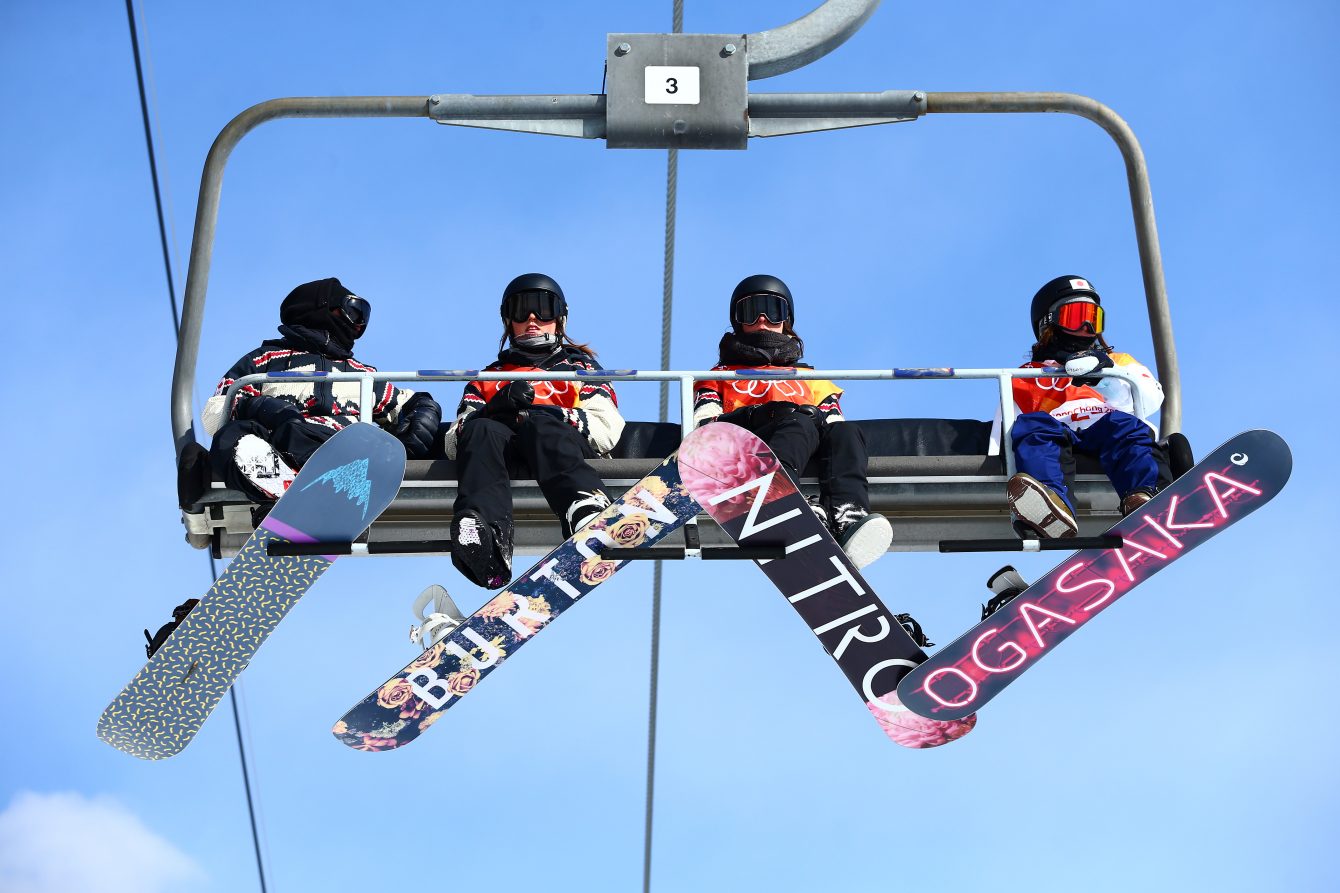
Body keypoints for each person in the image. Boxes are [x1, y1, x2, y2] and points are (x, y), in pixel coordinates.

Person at [145, 277, 441, 656]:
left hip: (342, 456)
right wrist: (264, 408)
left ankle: (311, 490)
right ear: (320, 309)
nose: (357, 323)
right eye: (352, 310)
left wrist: (420, 425)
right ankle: (288, 492)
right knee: (234, 437)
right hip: (281, 455)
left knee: (346, 438)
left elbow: (413, 400)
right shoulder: (267, 361)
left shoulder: (362, 375)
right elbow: (218, 408)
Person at [692, 274, 895, 570]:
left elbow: (835, 423)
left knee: (847, 432)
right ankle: (780, 497)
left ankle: (847, 516)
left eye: (772, 310)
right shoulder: (721, 375)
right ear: (738, 322)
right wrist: (766, 413)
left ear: (786, 319)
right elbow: (704, 424)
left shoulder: (810, 377)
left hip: (802, 434)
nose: (762, 320)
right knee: (796, 418)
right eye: (751, 311)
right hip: (747, 436)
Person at [442, 273, 624, 589]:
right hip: (502, 454)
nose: (532, 320)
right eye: (521, 310)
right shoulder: (488, 377)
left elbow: (607, 428)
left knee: (539, 425)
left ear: (560, 318)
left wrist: (544, 413)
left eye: (543, 308)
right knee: (481, 430)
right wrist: (490, 411)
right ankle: (486, 539)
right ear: (507, 321)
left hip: (557, 445)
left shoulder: (580, 370)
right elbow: (454, 441)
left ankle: (584, 509)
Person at [1003, 274, 1164, 539]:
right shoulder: (1027, 375)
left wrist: (1105, 376)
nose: (1087, 327)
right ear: (1049, 324)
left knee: (1126, 429)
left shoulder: (1117, 362)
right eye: (1076, 315)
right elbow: (1009, 424)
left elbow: (1151, 397)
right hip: (1056, 428)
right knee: (1033, 429)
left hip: (1104, 424)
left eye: (1095, 318)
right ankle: (1050, 506)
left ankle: (1143, 495)